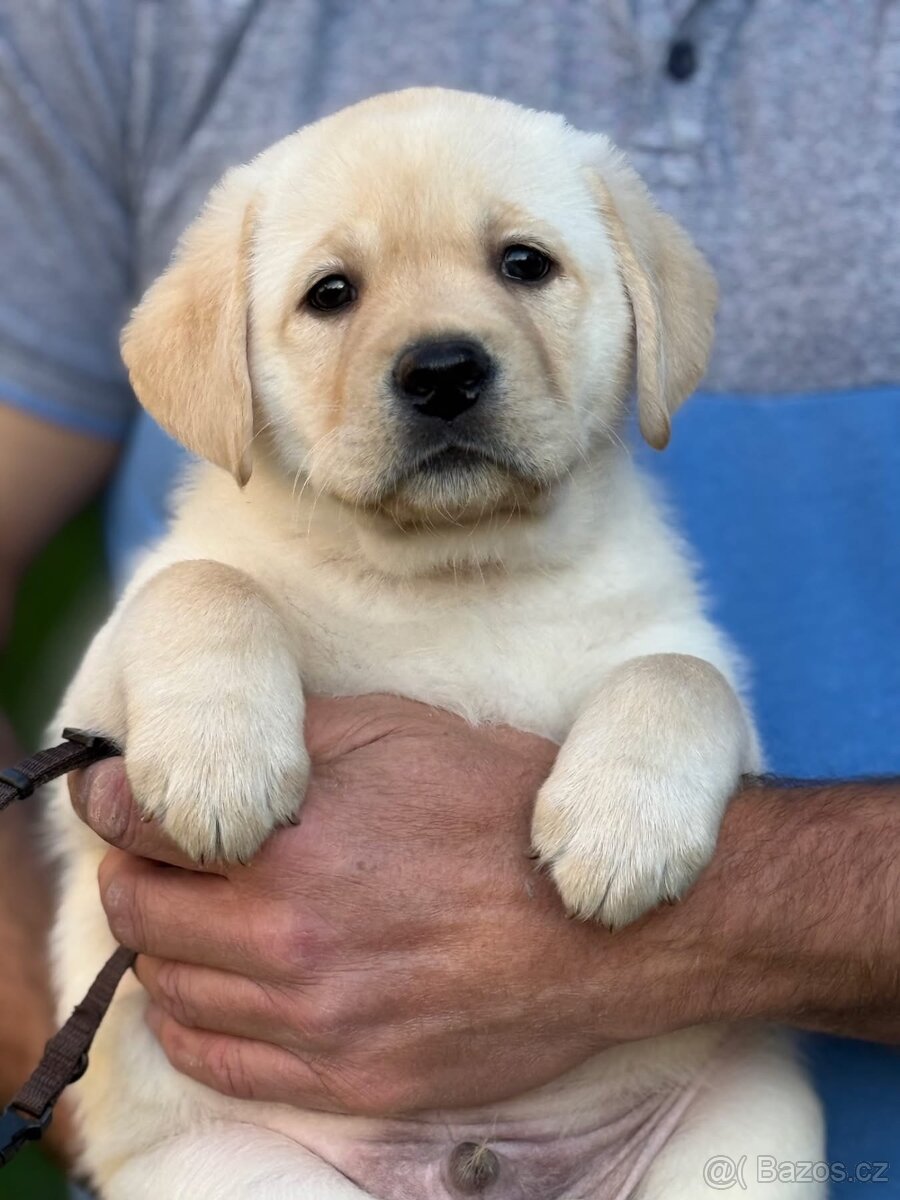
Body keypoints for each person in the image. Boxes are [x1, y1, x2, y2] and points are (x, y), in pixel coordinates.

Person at [0, 2, 897, 1195]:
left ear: (648, 310)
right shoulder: (205, 596)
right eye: (331, 295)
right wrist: (99, 1090)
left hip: (645, 1133)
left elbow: (683, 743)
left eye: (524, 265)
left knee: (753, 1092)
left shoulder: (631, 591)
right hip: (268, 1139)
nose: (438, 351)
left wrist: (676, 717)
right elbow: (123, 746)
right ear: (225, 366)